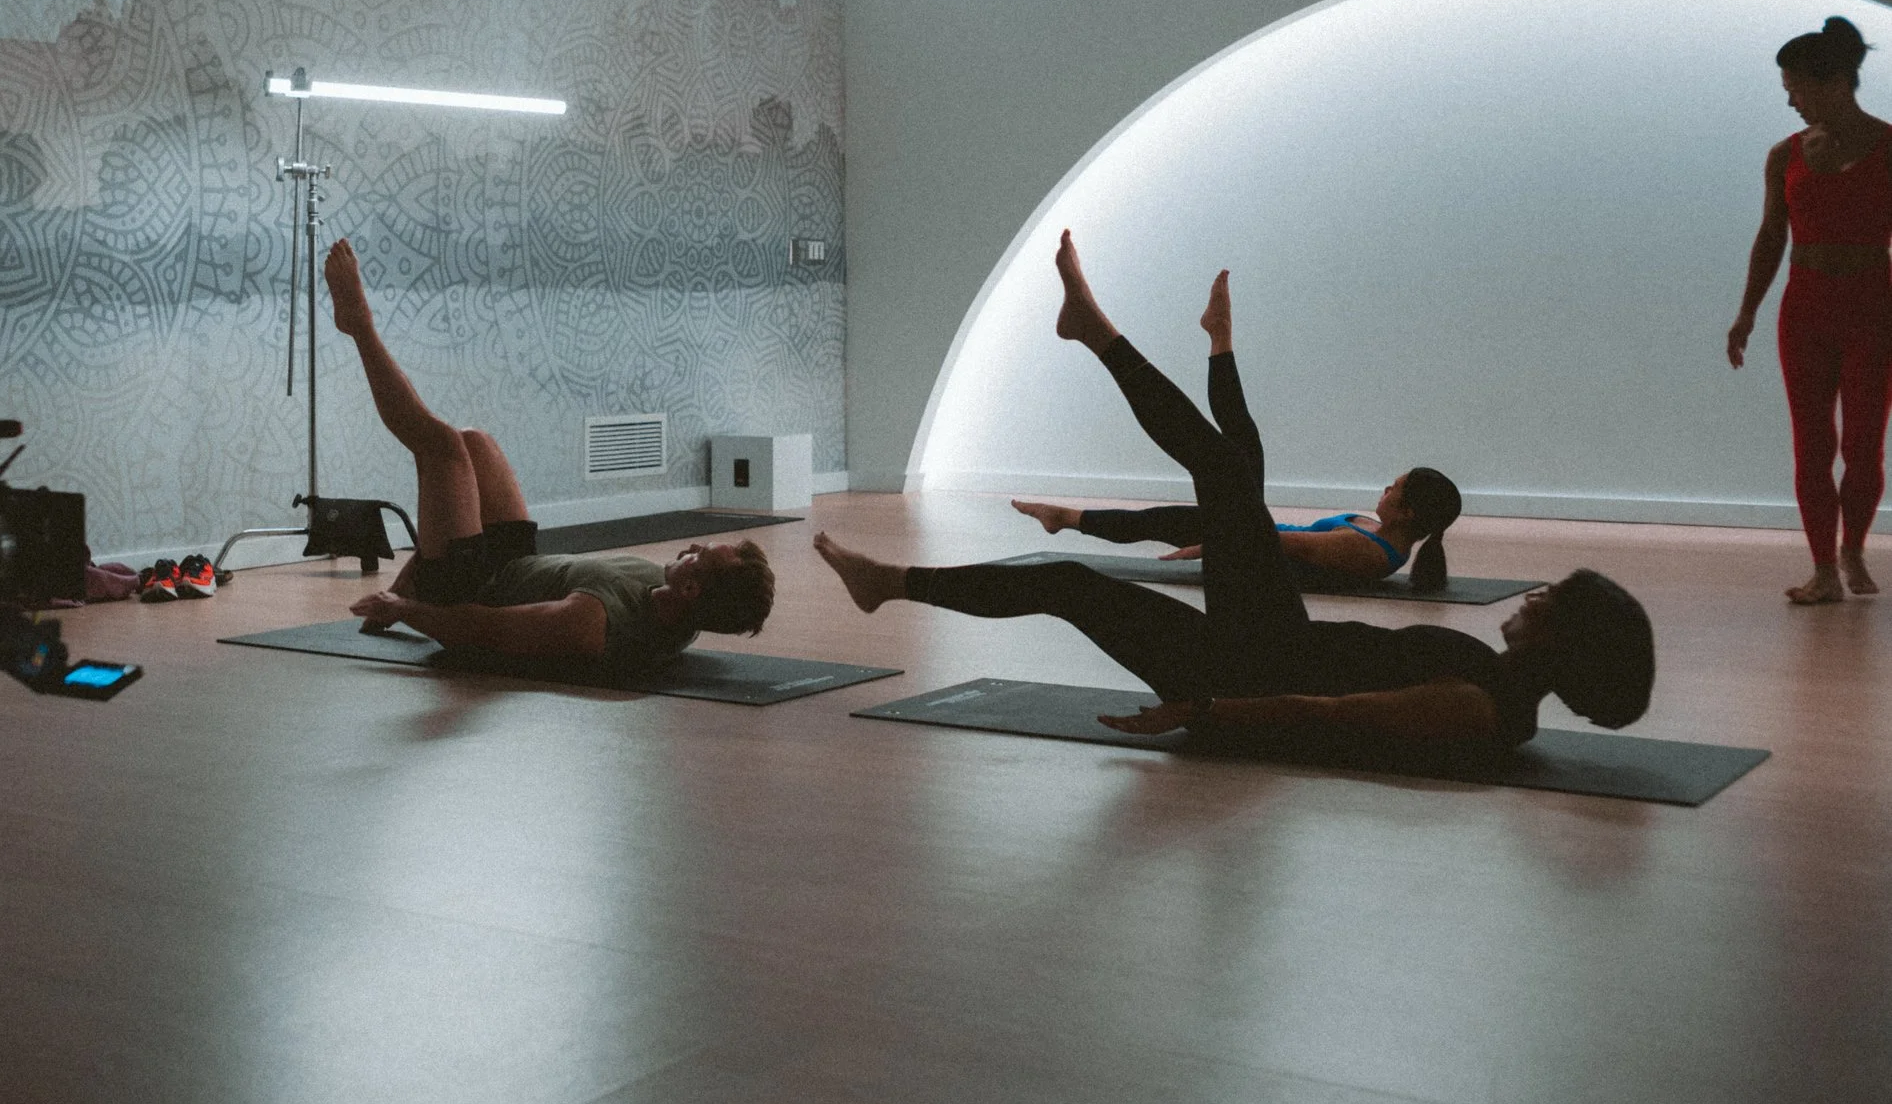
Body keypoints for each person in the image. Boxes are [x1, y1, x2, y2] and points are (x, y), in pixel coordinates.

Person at [815, 233, 1653, 746]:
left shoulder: (1483, 709)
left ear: (1564, 645)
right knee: (1186, 500)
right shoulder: (1492, 680)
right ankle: (889, 581)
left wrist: (1209, 712)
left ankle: (1098, 332)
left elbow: (1335, 717)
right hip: (1262, 645)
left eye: (1552, 600)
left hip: (1250, 670)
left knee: (1217, 478)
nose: (1536, 594)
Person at [323, 239, 774, 667]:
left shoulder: (591, 624)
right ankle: (420, 575)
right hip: (514, 566)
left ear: (692, 588)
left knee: (442, 446)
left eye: (700, 553)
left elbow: (488, 631)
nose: (692, 545)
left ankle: (359, 327)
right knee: (476, 442)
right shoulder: (672, 597)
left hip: (469, 592)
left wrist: (404, 608)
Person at [1726, 17, 1890, 605]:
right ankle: (1823, 567)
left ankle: (1853, 548)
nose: (1791, 101)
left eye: (1796, 88)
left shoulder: (1889, 147)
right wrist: (1747, 311)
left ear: (1837, 83)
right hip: (1806, 309)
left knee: (1863, 445)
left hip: (1874, 306)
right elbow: (1772, 235)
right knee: (1813, 444)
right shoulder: (1784, 155)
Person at [1011, 467, 1461, 592]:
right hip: (1246, 530)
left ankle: (1062, 517)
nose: (1385, 488)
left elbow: (1278, 543)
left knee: (1154, 522)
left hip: (1244, 544)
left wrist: (1207, 547)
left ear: (1407, 513)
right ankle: (1065, 517)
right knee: (1156, 519)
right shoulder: (1380, 535)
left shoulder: (1369, 553)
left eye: (1394, 488)